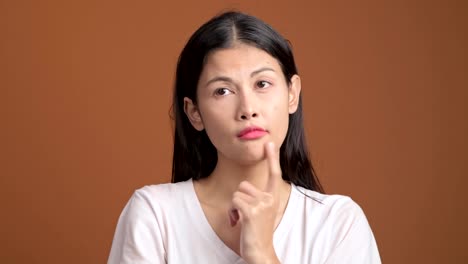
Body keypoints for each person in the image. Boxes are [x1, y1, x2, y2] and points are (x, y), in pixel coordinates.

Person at [108, 11, 381, 264]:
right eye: (222, 91)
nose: (247, 109)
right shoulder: (154, 215)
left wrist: (262, 254)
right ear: (194, 113)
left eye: (262, 84)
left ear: (292, 94)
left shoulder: (338, 222)